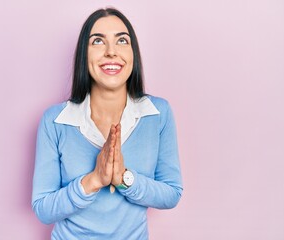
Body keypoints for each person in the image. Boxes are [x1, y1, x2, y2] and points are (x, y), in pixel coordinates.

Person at [32, 7, 183, 240]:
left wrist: (124, 178)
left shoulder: (158, 113)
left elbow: (171, 193)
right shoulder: (54, 120)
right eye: (98, 41)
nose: (111, 52)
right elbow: (43, 208)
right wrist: (93, 180)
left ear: (133, 53)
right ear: (85, 54)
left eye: (122, 40)